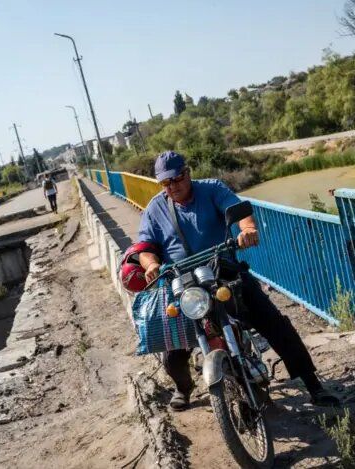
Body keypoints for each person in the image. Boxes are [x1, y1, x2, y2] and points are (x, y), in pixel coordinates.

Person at [137, 150, 340, 410]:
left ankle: (314, 386)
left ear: (187, 173)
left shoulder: (211, 189)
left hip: (224, 270)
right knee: (173, 351)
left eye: (176, 179)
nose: (172, 187)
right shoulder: (156, 208)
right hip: (184, 282)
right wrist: (151, 264)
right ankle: (183, 387)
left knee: (274, 323)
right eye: (165, 183)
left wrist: (248, 229)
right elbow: (145, 246)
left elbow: (237, 210)